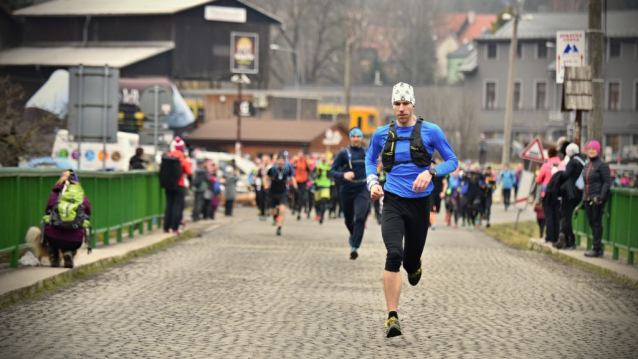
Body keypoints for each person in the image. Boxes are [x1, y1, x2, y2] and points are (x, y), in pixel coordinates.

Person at [365, 82, 458, 338]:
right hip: (392, 200)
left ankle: (414, 264)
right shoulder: (382, 133)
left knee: (409, 261)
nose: (401, 108)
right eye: (397, 103)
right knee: (394, 254)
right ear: (393, 106)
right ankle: (392, 317)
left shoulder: (431, 131)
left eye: (406, 103)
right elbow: (369, 159)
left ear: (413, 104)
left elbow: (453, 161)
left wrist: (430, 172)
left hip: (419, 204)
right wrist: (372, 182)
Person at [330, 128, 370, 260]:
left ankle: (355, 247)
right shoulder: (343, 153)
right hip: (347, 190)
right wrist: (343, 174)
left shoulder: (366, 152)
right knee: (348, 220)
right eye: (354, 136)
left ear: (361, 138)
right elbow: (332, 172)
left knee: (359, 218)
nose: (356, 138)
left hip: (362, 189)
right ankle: (354, 235)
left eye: (359, 136)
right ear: (350, 138)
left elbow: (374, 167)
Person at [43, 170, 91, 268]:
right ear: (77, 182)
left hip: (53, 238)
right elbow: (88, 213)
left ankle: (54, 257)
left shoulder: (55, 195)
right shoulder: (81, 197)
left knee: (48, 224)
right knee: (77, 230)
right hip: (75, 241)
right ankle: (69, 252)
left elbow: (47, 210)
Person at [581, 140, 611, 257]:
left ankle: (597, 248)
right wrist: (584, 197)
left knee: (597, 223)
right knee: (591, 222)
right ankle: (596, 247)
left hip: (597, 199)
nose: (591, 151)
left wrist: (601, 197)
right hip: (587, 198)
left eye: (594, 149)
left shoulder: (602, 165)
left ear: (598, 150)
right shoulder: (587, 164)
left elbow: (607, 183)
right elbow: (586, 183)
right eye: (590, 149)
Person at [554, 143, 585, 250]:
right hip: (579, 193)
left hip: (570, 193)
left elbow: (566, 175)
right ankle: (567, 238)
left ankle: (569, 239)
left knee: (566, 216)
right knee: (567, 216)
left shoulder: (573, 162)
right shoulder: (582, 161)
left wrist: (557, 174)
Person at [163, 137, 192, 234]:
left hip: (168, 184)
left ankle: (166, 227)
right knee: (177, 206)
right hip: (179, 184)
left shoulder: (168, 155)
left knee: (169, 205)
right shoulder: (183, 158)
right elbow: (189, 172)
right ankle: (175, 228)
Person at [266, 152, 298, 236]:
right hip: (273, 191)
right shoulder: (272, 169)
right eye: (279, 161)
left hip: (283, 192)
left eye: (282, 161)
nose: (280, 163)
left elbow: (292, 178)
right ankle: (275, 217)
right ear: (276, 161)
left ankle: (279, 228)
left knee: (282, 210)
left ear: (284, 162)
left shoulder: (287, 169)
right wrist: (266, 185)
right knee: (273, 211)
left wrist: (295, 187)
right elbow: (265, 177)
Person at [535, 147, 561, 243]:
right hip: (558, 193)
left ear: (549, 154)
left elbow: (538, 179)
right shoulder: (561, 164)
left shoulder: (546, 165)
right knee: (556, 215)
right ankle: (556, 237)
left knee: (548, 215)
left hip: (547, 193)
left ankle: (549, 237)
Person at [293, 150, 312, 220]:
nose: (301, 156)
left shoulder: (306, 161)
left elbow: (310, 169)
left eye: (302, 154)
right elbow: (292, 169)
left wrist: (308, 162)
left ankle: (299, 211)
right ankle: (295, 207)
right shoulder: (295, 161)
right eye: (299, 154)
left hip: (304, 181)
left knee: (302, 197)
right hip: (296, 181)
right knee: (296, 196)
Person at [428, 159, 446, 230]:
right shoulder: (427, 173)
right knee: (431, 208)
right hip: (430, 193)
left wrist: (443, 192)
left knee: (437, 208)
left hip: (438, 193)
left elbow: (445, 183)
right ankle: (432, 223)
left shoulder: (440, 173)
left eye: (433, 164)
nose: (432, 165)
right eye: (431, 164)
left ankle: (431, 220)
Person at [313, 153, 331, 224]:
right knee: (317, 202)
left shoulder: (329, 166)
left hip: (326, 185)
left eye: (324, 157)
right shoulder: (317, 166)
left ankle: (322, 216)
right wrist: (314, 179)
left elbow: (331, 174)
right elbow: (312, 174)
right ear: (320, 158)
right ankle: (318, 213)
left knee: (324, 201)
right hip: (318, 185)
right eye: (322, 157)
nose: (323, 158)